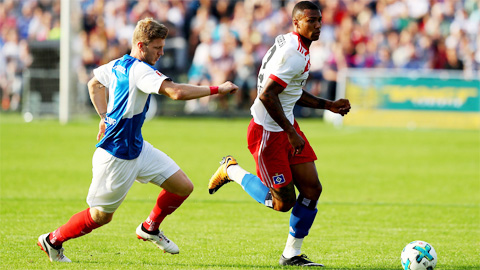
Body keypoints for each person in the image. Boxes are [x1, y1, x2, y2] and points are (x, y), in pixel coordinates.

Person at [37, 17, 238, 263]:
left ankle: (150, 228)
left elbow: (94, 84)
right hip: (116, 155)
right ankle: (53, 240)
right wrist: (218, 89)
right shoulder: (141, 70)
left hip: (137, 148)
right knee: (100, 216)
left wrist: (103, 117)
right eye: (157, 48)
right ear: (141, 46)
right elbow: (176, 92)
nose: (162, 53)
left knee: (183, 187)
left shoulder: (119, 64)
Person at [208, 1, 350, 267]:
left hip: (286, 125)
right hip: (268, 132)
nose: (317, 25)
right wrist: (290, 132)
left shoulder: (296, 46)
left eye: (319, 20)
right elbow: (267, 95)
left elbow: (290, 91)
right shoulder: (294, 54)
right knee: (282, 203)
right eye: (311, 20)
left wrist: (328, 105)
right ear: (297, 23)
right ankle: (231, 170)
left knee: (312, 189)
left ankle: (291, 254)